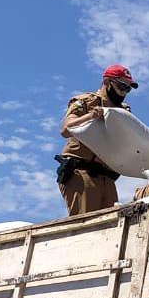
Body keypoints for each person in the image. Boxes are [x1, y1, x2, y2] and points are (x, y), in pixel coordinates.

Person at [56, 64, 138, 216]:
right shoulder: (86, 102)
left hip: (108, 177)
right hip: (82, 173)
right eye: (121, 86)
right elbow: (65, 130)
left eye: (128, 89)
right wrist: (90, 117)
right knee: (86, 224)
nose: (124, 92)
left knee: (110, 225)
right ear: (107, 83)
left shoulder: (123, 111)